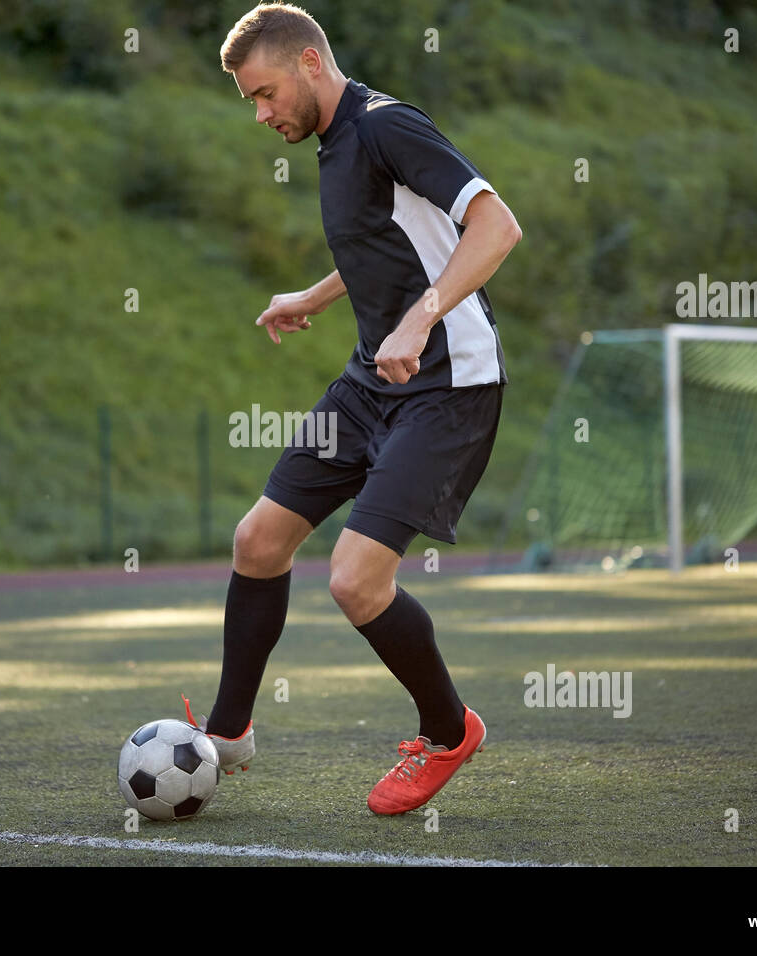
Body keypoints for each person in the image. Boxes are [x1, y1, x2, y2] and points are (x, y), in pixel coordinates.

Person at [183, 2, 523, 816]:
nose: (261, 114)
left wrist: (419, 316)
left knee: (355, 580)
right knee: (259, 540)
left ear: (308, 63)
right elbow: (391, 239)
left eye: (263, 94)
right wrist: (319, 293)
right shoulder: (336, 144)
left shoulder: (384, 125)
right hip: (374, 382)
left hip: (450, 386)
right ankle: (229, 735)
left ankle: (449, 732)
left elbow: (494, 225)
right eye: (249, 103)